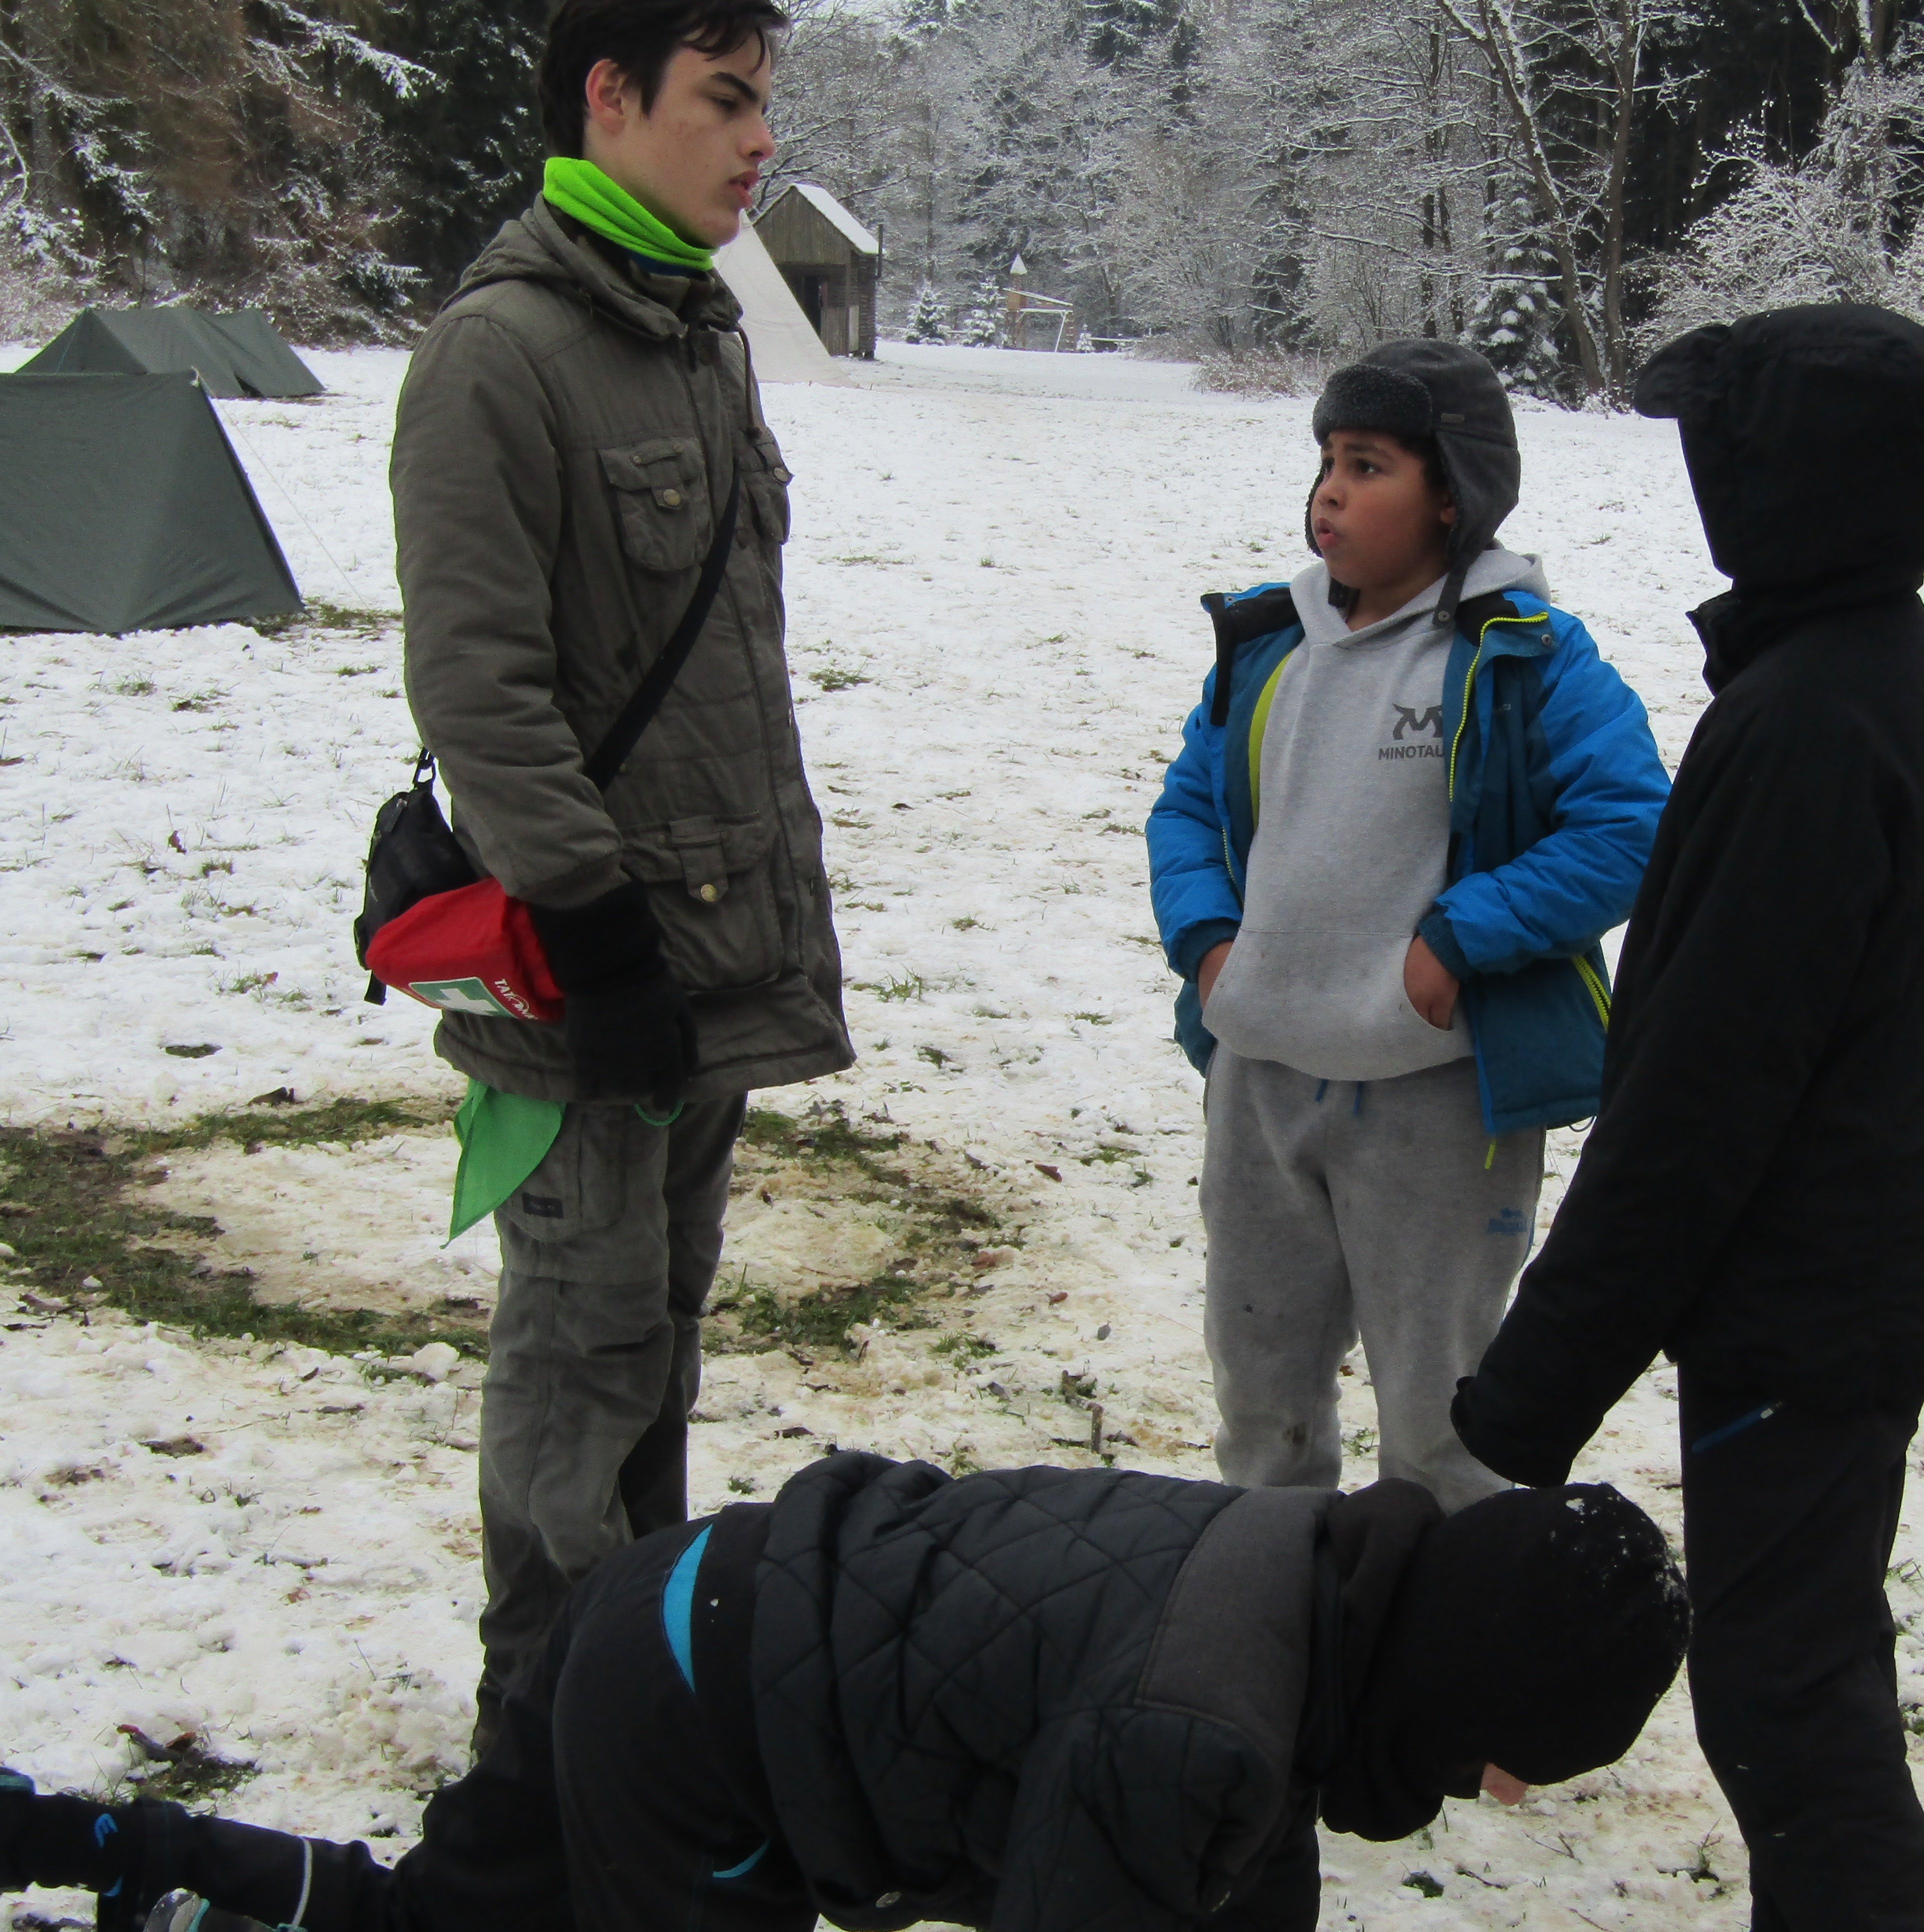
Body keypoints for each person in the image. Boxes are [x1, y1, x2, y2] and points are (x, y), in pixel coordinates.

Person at [1452, 304, 1924, 1932]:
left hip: (1809, 1305)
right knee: (1799, 1663)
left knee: (1783, 1695)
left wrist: (1532, 1393)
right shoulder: (1867, 662)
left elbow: (1697, 1099)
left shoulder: (1810, 719)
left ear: (1793, 482)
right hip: (1858, 1275)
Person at [389, 0, 854, 1751]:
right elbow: (482, 694)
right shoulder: (496, 358)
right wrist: (599, 951)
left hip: (708, 968)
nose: (758, 142)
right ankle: (538, 1744)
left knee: (657, 1340)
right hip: (589, 988)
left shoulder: (699, 336)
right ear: (608, 97)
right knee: (577, 1356)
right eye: (724, 101)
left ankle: (631, 1714)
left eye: (762, 104)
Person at [0, 1458, 1692, 1932]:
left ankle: (116, 1853)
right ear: (1465, 1705)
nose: (1503, 1797)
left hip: (683, 1597)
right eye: (1518, 1763)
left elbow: (1244, 1892)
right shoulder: (1201, 1734)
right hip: (704, 1736)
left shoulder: (1302, 1577)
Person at [1147, 342, 1668, 1514]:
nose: (1329, 492)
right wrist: (1209, 941)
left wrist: (1458, 941)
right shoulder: (1267, 643)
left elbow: (1631, 824)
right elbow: (1183, 807)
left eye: (1368, 465)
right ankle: (1274, 1595)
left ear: (1451, 496)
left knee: (1445, 1427)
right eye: (1327, 461)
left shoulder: (1524, 656)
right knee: (1262, 1409)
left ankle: (1442, 1616)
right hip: (1259, 1082)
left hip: (1435, 1102)